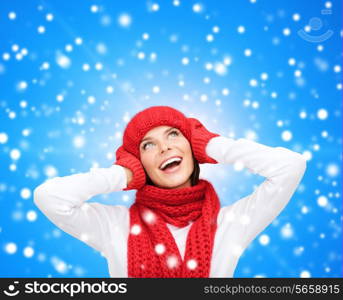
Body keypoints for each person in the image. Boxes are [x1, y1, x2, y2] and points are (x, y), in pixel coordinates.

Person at [33, 105, 307, 278]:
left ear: (191, 147)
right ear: (140, 163)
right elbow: (49, 197)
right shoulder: (114, 225)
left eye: (174, 134)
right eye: (147, 145)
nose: (164, 148)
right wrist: (123, 174)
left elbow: (290, 166)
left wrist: (211, 145)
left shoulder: (230, 224)